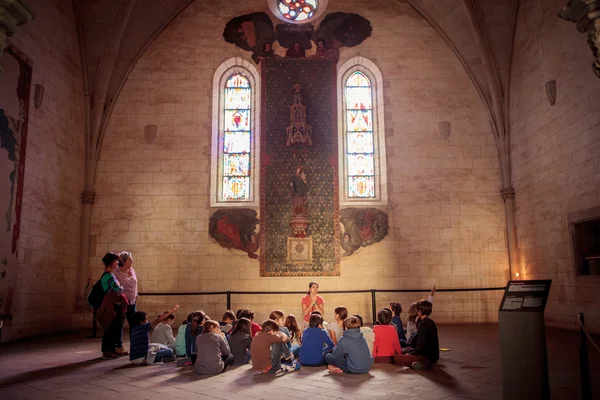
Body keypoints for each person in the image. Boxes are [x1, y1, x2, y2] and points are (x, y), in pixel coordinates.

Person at [394, 300, 439, 370]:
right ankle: (418, 363)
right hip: (434, 356)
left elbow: (419, 348)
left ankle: (423, 364)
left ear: (420, 311)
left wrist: (409, 353)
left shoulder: (423, 325)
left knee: (396, 358)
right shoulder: (431, 322)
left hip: (426, 357)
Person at [99, 252, 125, 359]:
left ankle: (112, 348)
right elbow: (117, 288)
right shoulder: (107, 275)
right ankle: (107, 350)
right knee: (110, 327)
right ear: (111, 262)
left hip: (114, 303)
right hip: (111, 305)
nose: (117, 263)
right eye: (115, 261)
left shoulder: (111, 274)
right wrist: (121, 288)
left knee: (115, 327)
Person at [114, 251, 138, 345]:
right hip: (122, 302)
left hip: (132, 301)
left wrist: (135, 295)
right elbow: (125, 283)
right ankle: (118, 345)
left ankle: (134, 343)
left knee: (134, 323)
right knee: (119, 324)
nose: (132, 261)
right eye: (129, 259)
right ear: (123, 261)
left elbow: (134, 283)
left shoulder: (131, 270)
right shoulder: (117, 272)